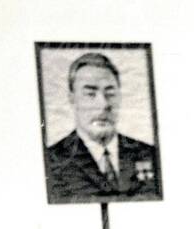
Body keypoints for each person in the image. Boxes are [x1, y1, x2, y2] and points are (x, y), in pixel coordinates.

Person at [45, 52, 161, 201]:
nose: (104, 105)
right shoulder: (53, 161)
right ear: (72, 99)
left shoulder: (150, 155)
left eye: (110, 93)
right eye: (90, 94)